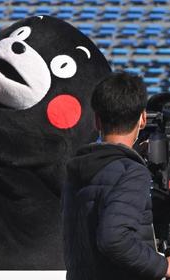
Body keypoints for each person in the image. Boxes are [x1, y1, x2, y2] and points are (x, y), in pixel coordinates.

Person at [62, 72, 170, 280]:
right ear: (143, 118)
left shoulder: (79, 168)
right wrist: (163, 266)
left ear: (97, 121)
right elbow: (113, 238)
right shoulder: (131, 172)